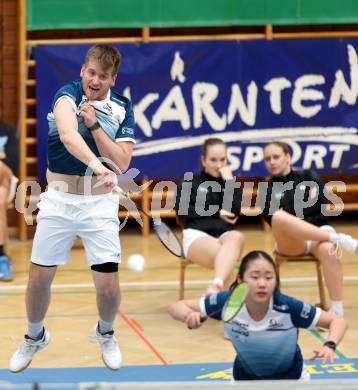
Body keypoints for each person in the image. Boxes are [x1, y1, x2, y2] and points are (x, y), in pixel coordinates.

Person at [9, 44, 135, 372]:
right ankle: (35, 336)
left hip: (98, 205)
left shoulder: (122, 107)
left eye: (103, 76)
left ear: (112, 79)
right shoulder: (67, 95)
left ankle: (105, 333)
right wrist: (98, 164)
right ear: (83, 71)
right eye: (91, 72)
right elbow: (66, 135)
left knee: (107, 287)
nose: (95, 80)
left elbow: (122, 161)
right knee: (38, 279)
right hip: (59, 200)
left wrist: (94, 126)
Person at [168, 250, 347, 380]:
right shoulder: (227, 303)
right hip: (245, 380)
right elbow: (177, 306)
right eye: (254, 277)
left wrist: (329, 345)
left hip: (291, 380)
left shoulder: (287, 306)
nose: (262, 283)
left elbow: (337, 321)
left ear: (275, 281)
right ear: (240, 280)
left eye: (269, 277)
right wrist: (188, 316)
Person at [262, 141, 357, 317]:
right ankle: (338, 239)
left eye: (276, 157)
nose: (272, 162)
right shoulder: (267, 189)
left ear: (288, 157)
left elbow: (322, 211)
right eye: (267, 159)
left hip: (318, 238)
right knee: (279, 217)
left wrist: (294, 218)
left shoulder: (309, 176)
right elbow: (273, 221)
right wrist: (301, 212)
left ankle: (336, 310)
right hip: (292, 243)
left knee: (329, 250)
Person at [174, 138, 244, 295]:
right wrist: (216, 211)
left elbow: (234, 212)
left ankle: (216, 286)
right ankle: (223, 289)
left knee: (236, 236)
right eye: (213, 160)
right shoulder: (189, 180)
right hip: (196, 236)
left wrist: (229, 183)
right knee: (226, 258)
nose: (219, 165)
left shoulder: (231, 182)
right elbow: (183, 211)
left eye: (222, 159)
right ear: (203, 160)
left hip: (226, 237)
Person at [0, 121, 19, 281]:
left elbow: (13, 163)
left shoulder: (7, 131)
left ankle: (2, 258)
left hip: (4, 181)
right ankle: (3, 257)